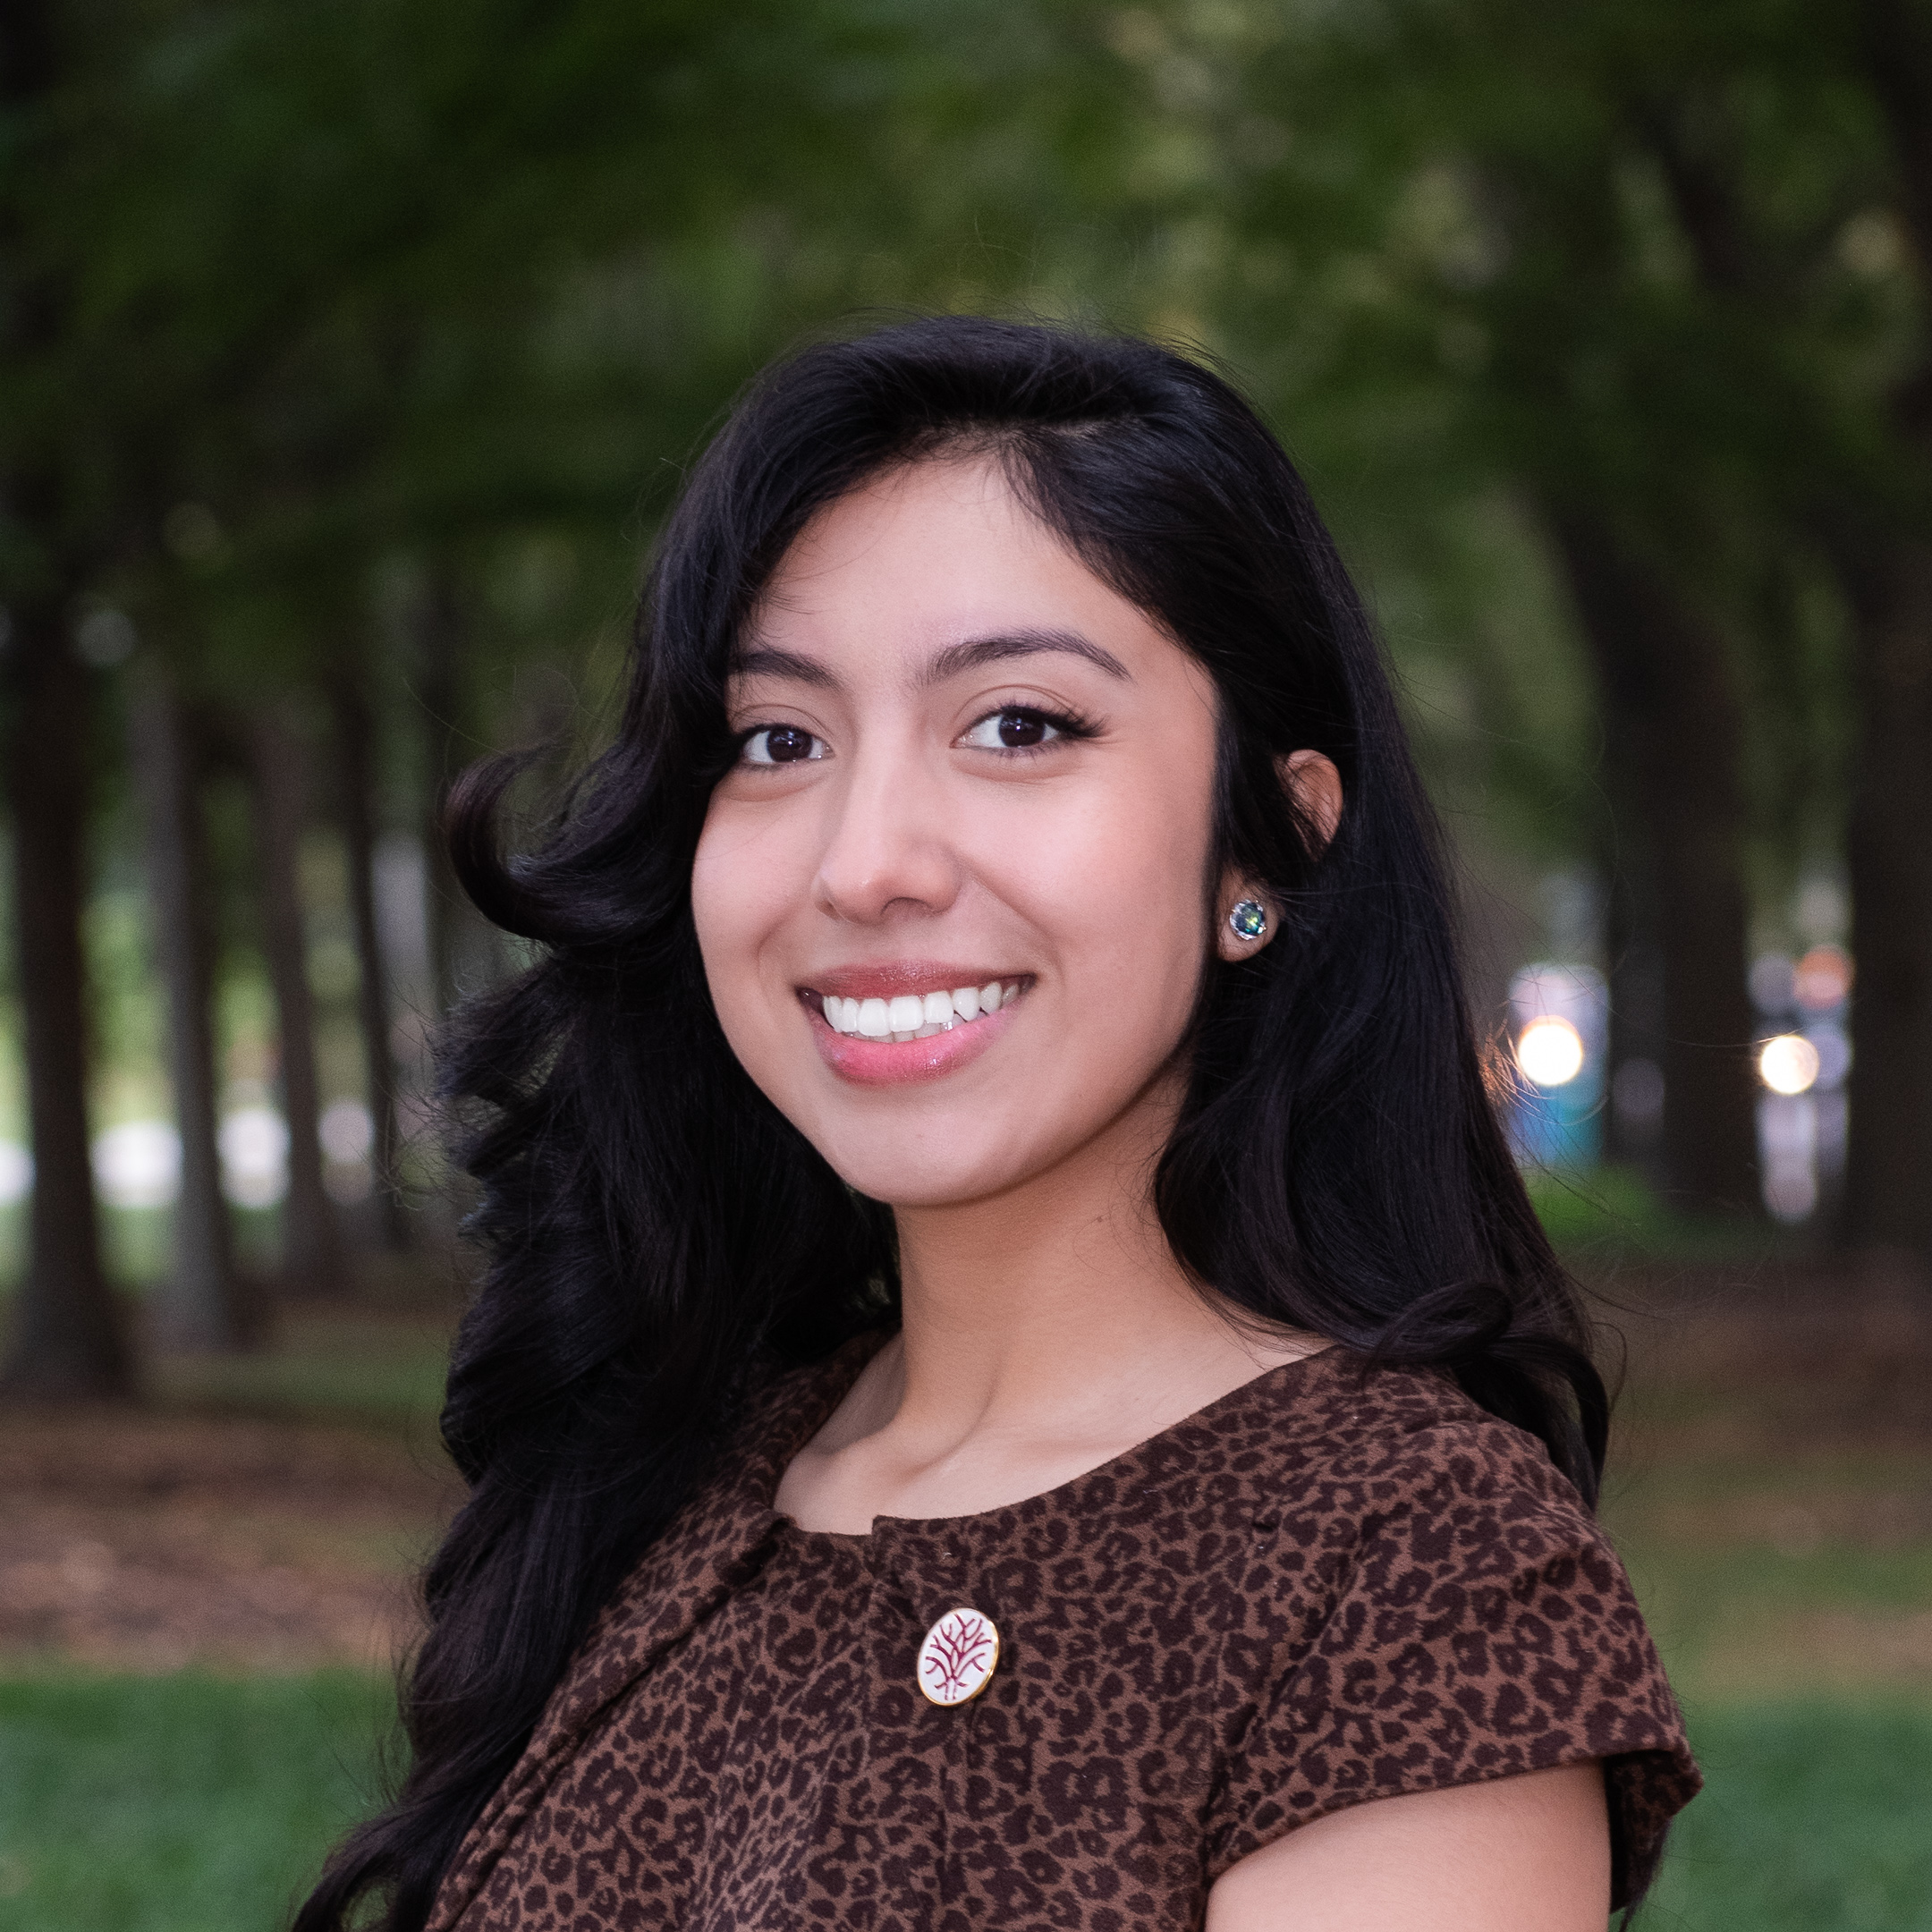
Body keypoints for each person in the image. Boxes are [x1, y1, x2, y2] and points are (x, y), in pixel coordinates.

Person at [297, 317, 1698, 1932]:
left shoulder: (1402, 1568)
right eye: (777, 741)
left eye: (1019, 724)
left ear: (1271, 843)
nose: (864, 858)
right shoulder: (682, 1468)